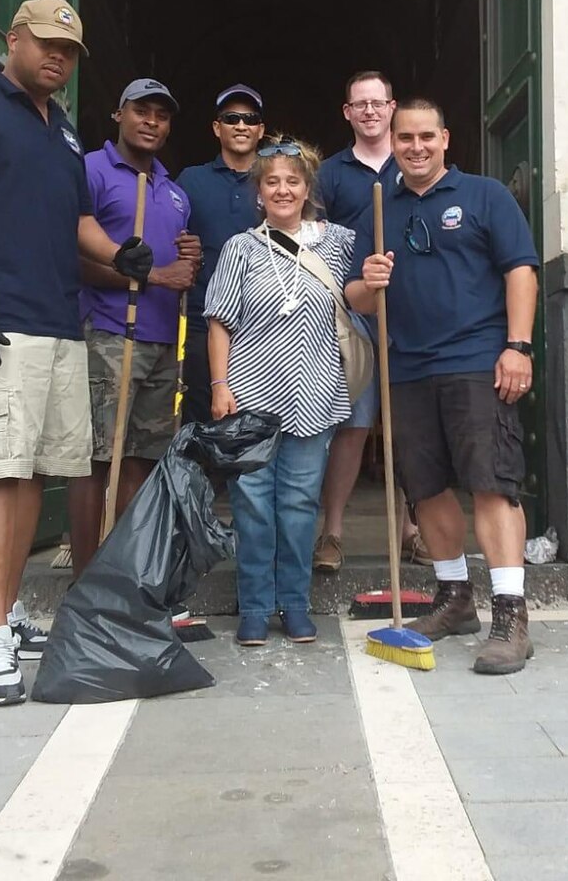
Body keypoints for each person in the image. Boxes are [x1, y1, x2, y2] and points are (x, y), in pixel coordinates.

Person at [0, 0, 155, 705]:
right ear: (13, 39)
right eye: (46, 43)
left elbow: (79, 222)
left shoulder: (66, 133)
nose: (57, 56)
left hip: (59, 322)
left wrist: (122, 254)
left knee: (30, 475)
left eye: (69, 50)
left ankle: (6, 612)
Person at [346, 99, 540, 676]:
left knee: (492, 483)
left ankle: (511, 613)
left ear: (446, 138)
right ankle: (454, 599)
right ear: (393, 143)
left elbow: (521, 271)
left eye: (426, 136)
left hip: (478, 359)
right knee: (424, 488)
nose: (415, 147)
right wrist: (369, 283)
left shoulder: (485, 196)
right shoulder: (378, 210)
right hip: (404, 366)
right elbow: (355, 296)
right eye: (405, 138)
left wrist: (519, 346)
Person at [205, 136, 354, 646]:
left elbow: (369, 279)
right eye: (273, 182)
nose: (283, 189)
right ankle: (253, 606)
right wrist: (220, 385)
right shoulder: (240, 248)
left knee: (298, 505)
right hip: (249, 398)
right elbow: (219, 323)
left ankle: (294, 603)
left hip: (315, 395)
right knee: (251, 505)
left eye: (293, 181)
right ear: (259, 192)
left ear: (308, 188)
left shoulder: (336, 242)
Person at [66, 78, 202, 578]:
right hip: (109, 332)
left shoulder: (174, 192)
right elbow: (71, 257)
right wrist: (153, 275)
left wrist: (186, 264)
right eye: (141, 111)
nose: (151, 121)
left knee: (143, 459)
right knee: (99, 457)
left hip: (164, 339)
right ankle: (87, 577)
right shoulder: (91, 172)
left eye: (161, 115)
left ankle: (124, 570)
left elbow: (175, 266)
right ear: (118, 115)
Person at [312, 71, 427, 573]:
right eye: (360, 104)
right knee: (354, 425)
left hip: (412, 314)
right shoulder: (332, 174)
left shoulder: (415, 163)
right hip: (354, 313)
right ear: (348, 113)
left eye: (378, 103)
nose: (370, 112)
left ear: (392, 106)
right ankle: (331, 534)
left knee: (407, 426)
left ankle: (412, 531)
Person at [177, 85, 266, 428]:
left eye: (250, 119)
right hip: (203, 322)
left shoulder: (277, 182)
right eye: (231, 118)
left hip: (264, 326)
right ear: (217, 127)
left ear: (260, 129)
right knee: (204, 425)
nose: (241, 125)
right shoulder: (191, 180)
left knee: (255, 429)